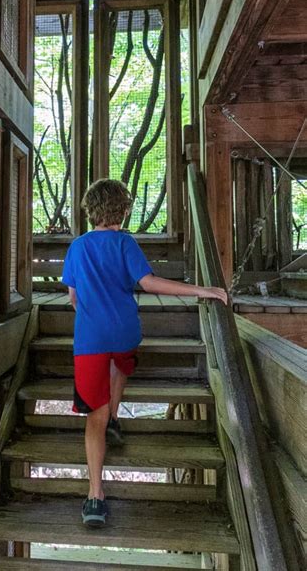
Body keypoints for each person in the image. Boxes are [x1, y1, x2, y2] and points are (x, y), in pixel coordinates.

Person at [61, 179, 228, 528]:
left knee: (94, 417)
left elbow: (73, 298)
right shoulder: (125, 243)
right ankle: (116, 418)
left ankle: (95, 496)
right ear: (123, 210)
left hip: (89, 339)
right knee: (121, 365)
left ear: (90, 211)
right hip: (125, 331)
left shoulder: (77, 247)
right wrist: (204, 290)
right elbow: (149, 283)